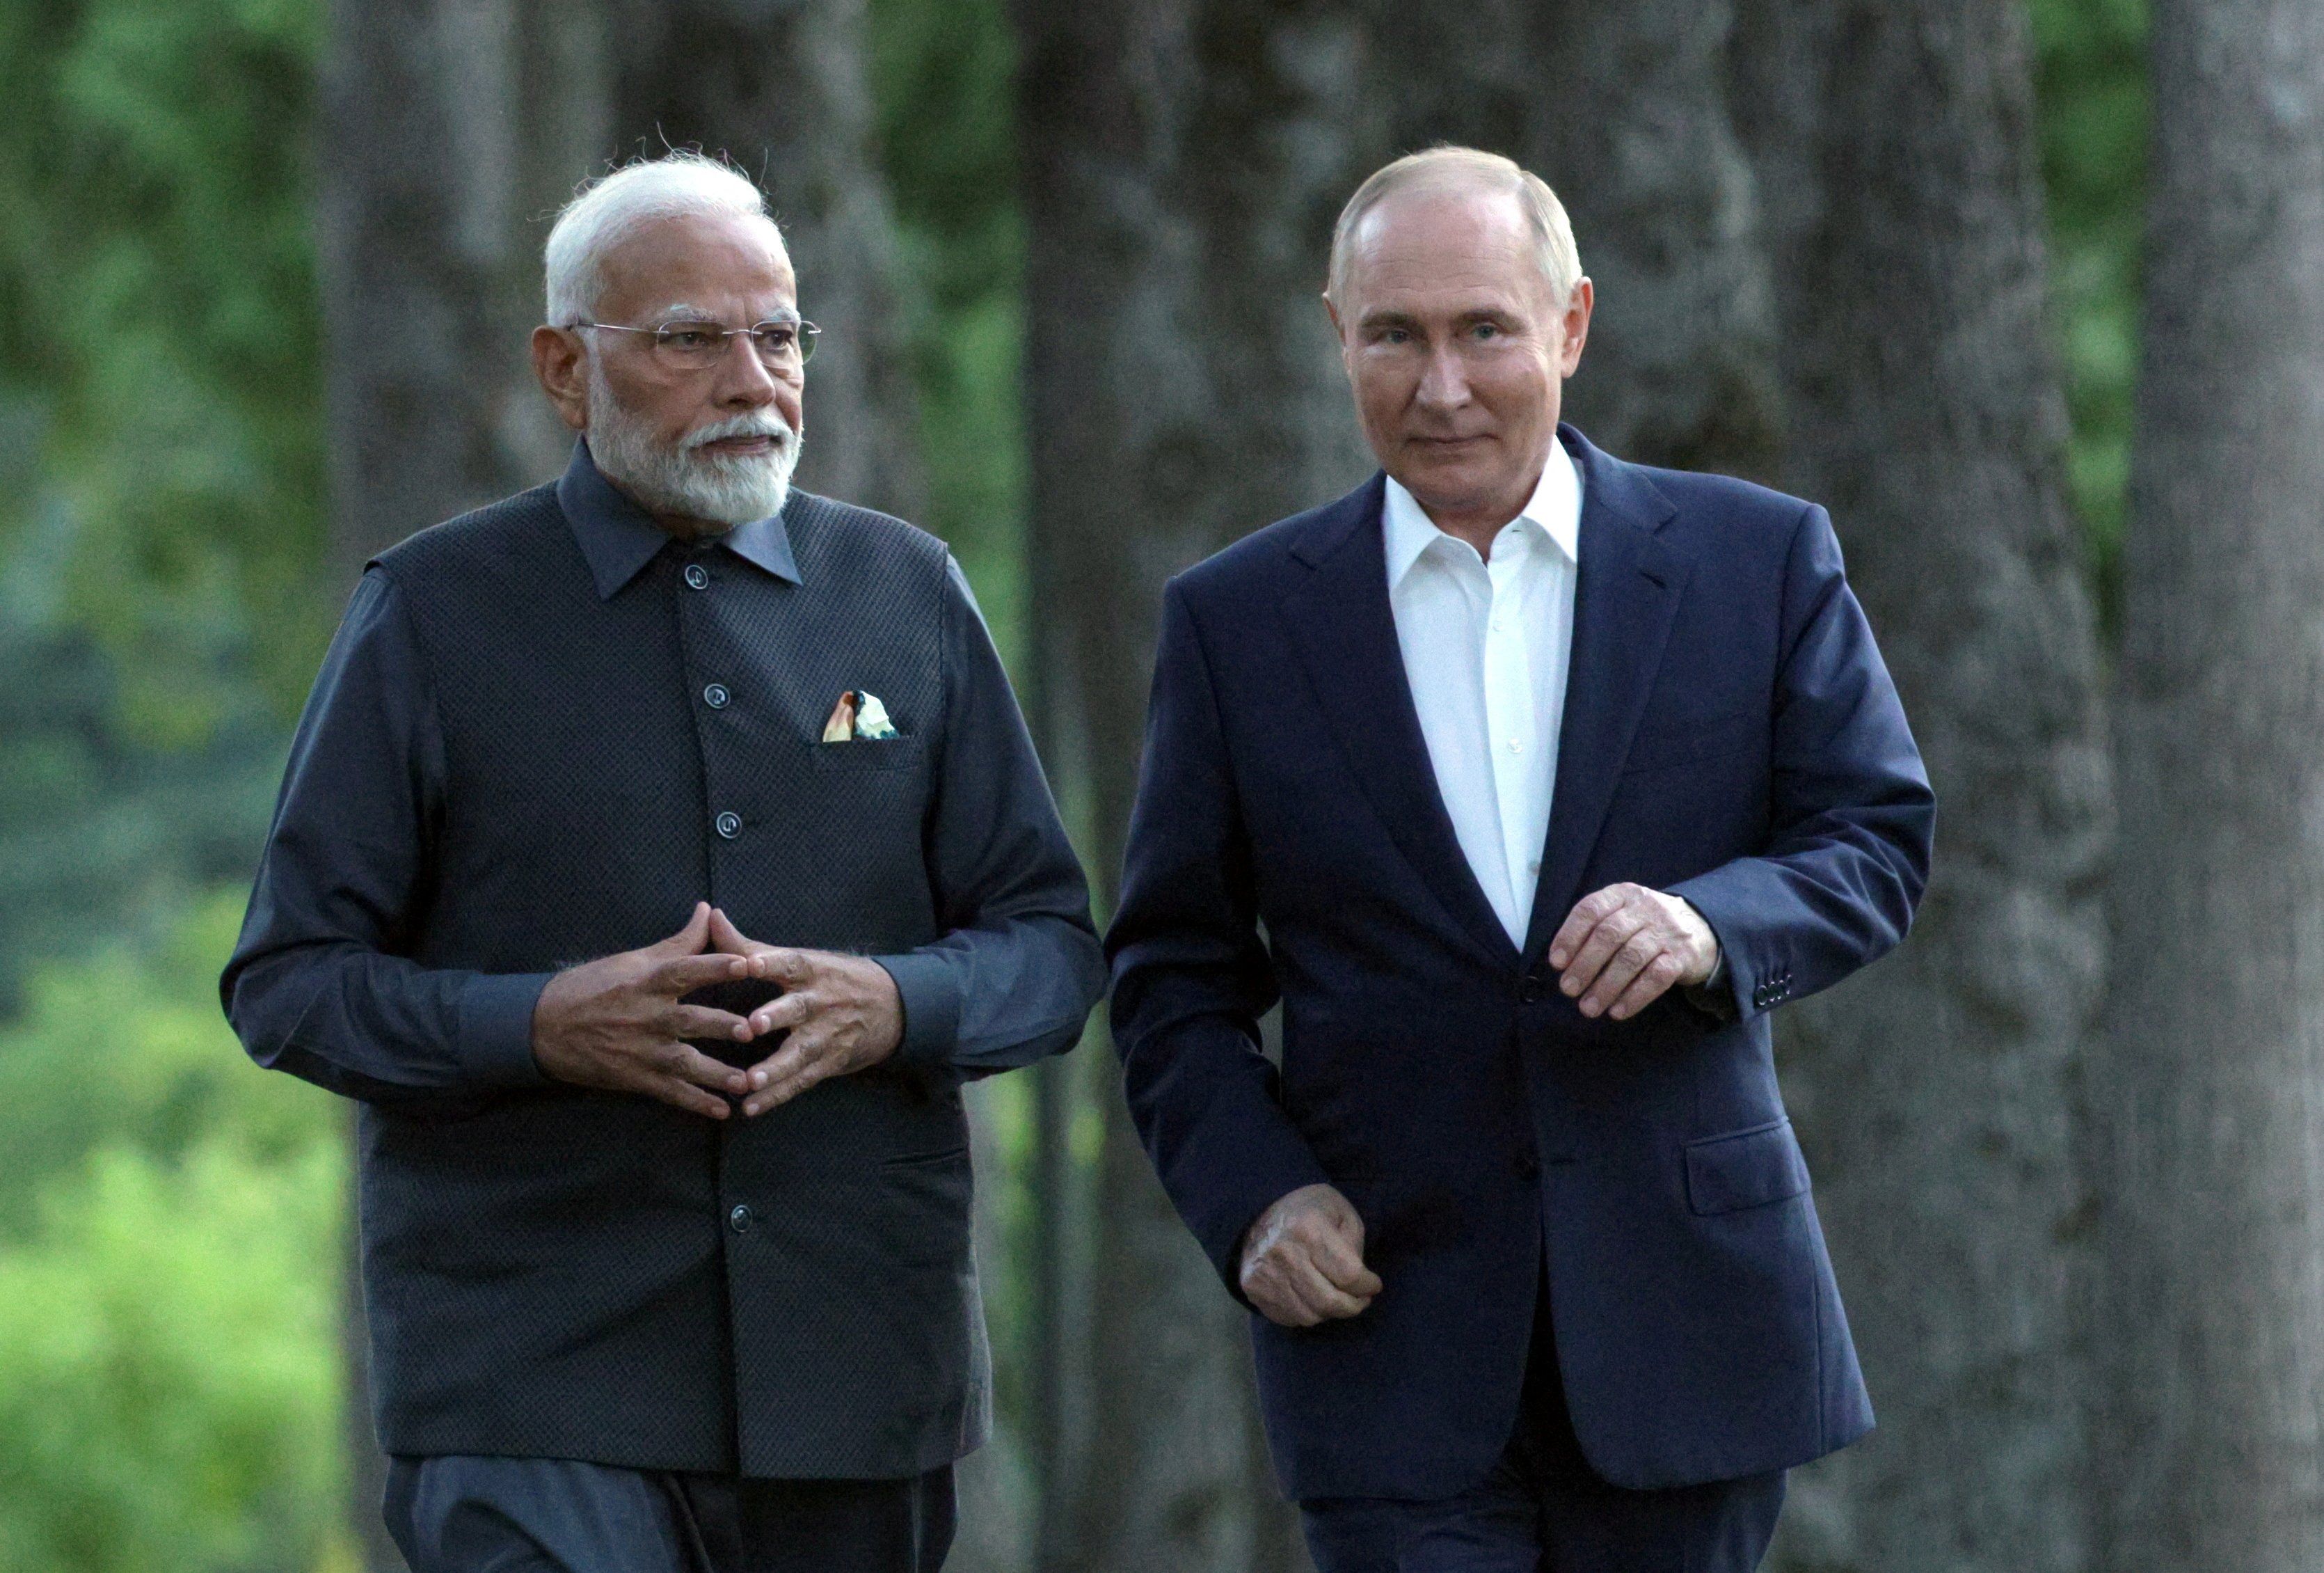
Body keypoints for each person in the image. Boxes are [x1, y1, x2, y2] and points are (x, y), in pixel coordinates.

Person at [222, 152, 1103, 1573]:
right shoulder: (434, 612)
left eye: (779, 334)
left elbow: (1051, 945)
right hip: (531, 1379)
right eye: (692, 339)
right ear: (566, 369)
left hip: (859, 1374)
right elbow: (288, 982)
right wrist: (536, 1024)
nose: (753, 379)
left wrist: (894, 1003)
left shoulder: (907, 591)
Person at [1107, 145, 1934, 1572]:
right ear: (1335, 337)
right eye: (1394, 335)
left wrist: (1708, 924)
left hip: (1690, 1324)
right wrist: (1253, 1194)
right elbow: (1172, 974)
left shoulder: (1757, 560)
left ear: (1568, 325)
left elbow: (1870, 837)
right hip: (1385, 1339)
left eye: (1483, 328)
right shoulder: (1235, 622)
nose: (1441, 386)